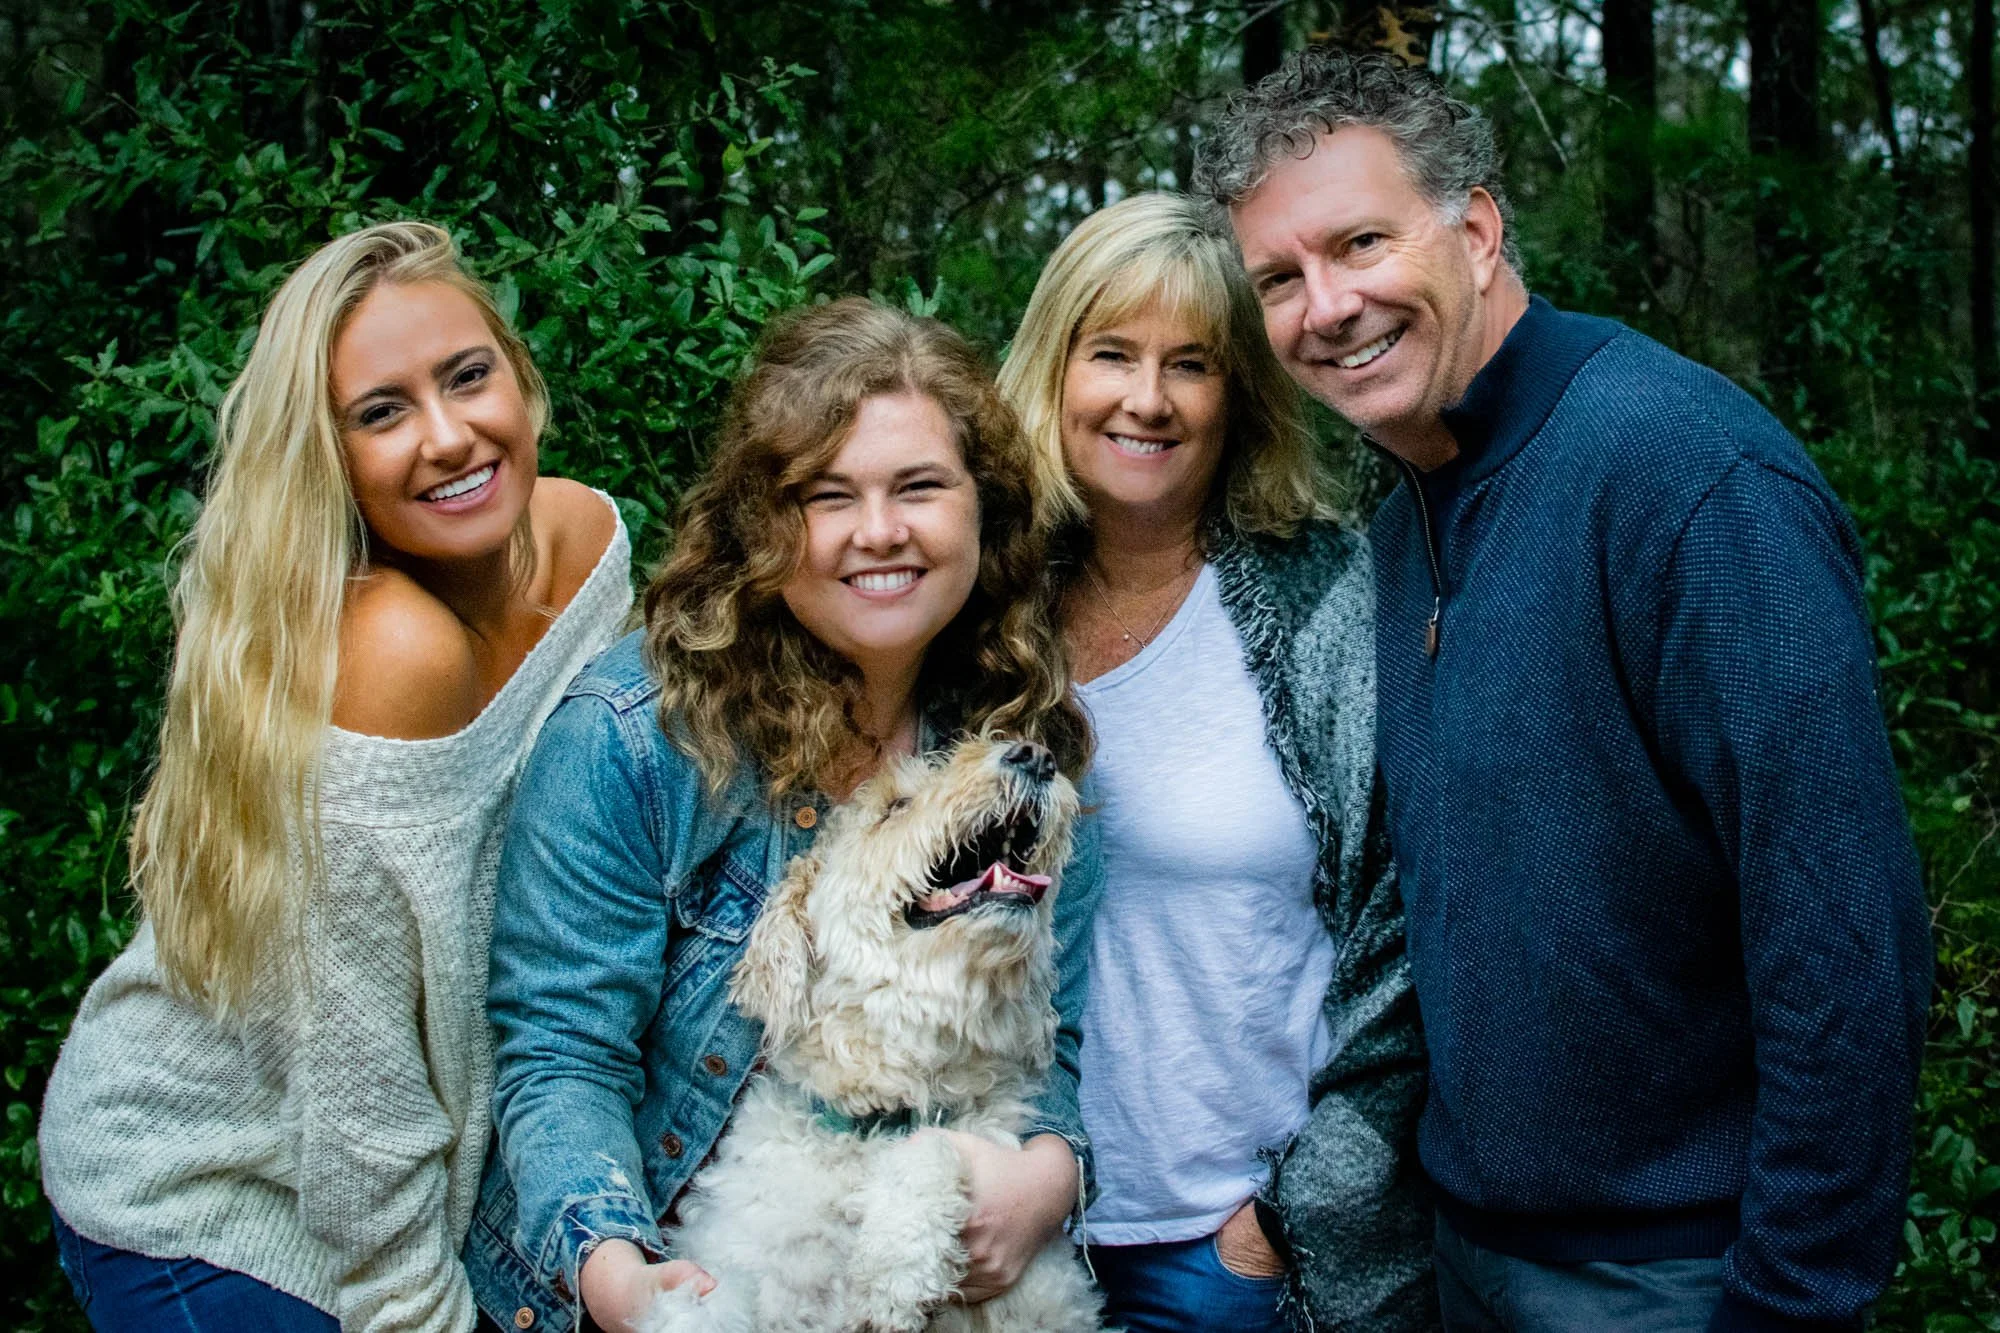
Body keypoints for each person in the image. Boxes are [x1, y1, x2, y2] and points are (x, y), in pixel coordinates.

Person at [1201, 49, 1934, 1332]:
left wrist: (1789, 1304)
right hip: (1463, 1255)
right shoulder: (1400, 528)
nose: (1326, 305)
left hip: (1680, 1273)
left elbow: (1843, 947)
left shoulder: (1686, 479)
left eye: (1360, 241)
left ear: (1474, 229)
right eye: (1279, 277)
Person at [459, 297, 1102, 1333]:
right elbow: (565, 1049)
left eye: (920, 487)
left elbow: (1049, 1037)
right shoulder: (632, 736)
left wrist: (1047, 1173)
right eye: (826, 494)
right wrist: (620, 1273)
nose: (879, 530)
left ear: (981, 511)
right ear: (763, 523)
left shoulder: (1029, 751)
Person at [37, 221, 630, 1331]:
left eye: (468, 376)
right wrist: (419, 1313)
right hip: (213, 1188)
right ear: (327, 455)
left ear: (520, 374)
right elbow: (358, 1073)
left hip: (396, 1177)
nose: (450, 437)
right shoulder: (389, 654)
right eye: (382, 412)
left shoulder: (591, 541)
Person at [996, 191, 1436, 1332]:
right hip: (1006, 1234)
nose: (1145, 399)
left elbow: (1408, 932)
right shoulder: (975, 606)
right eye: (1110, 354)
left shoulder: (1329, 602)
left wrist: (1279, 1222)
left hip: (1231, 1249)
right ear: (1053, 365)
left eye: (1188, 363)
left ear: (1236, 393)